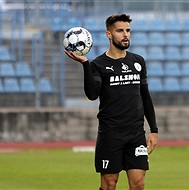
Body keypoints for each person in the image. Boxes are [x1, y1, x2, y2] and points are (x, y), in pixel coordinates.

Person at [64, 14, 158, 190]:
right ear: (109, 34)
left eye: (128, 30)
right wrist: (85, 64)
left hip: (136, 133)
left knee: (138, 184)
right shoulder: (98, 64)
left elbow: (145, 96)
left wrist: (153, 130)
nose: (125, 35)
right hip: (110, 134)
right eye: (120, 30)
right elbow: (92, 95)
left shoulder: (137, 62)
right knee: (109, 184)